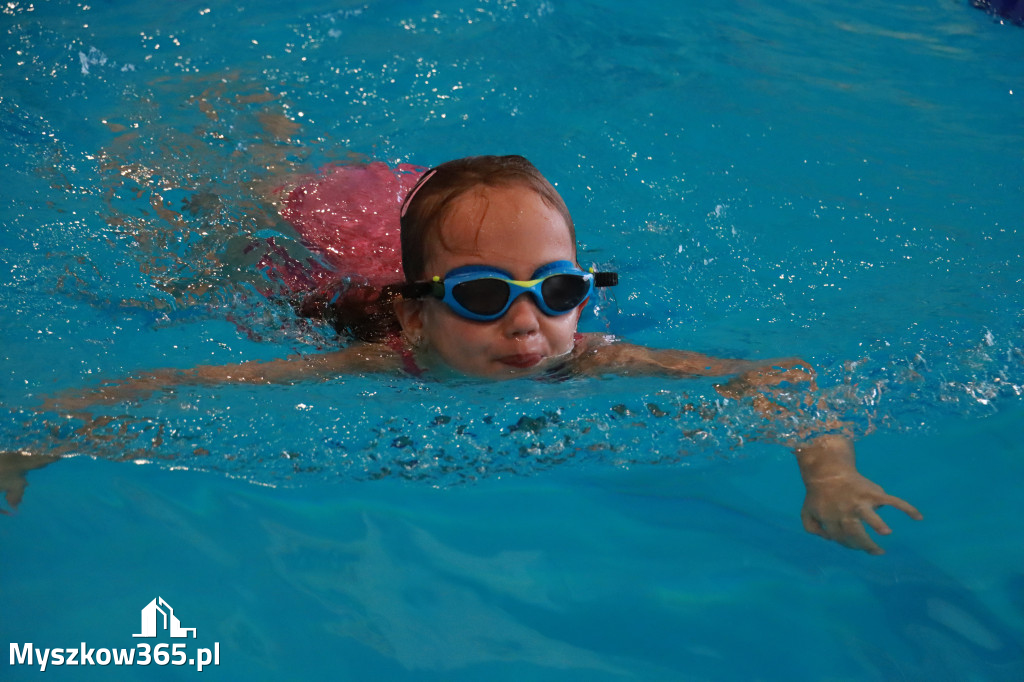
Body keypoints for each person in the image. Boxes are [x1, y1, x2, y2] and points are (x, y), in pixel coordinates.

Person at [38, 155, 921, 554]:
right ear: (417, 321)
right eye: (485, 298)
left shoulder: (595, 357)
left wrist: (828, 471)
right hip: (332, 256)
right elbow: (178, 384)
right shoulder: (379, 359)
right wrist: (35, 439)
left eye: (560, 290)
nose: (529, 328)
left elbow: (783, 379)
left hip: (415, 238)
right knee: (235, 245)